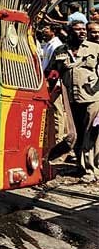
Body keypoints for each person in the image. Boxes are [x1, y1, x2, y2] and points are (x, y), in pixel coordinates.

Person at [50, 20, 99, 182]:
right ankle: (80, 166)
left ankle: (89, 171)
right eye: (77, 29)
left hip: (92, 98)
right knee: (76, 135)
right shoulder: (59, 51)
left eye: (83, 29)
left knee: (88, 136)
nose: (82, 32)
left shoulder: (94, 48)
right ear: (69, 32)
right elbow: (51, 73)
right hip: (71, 100)